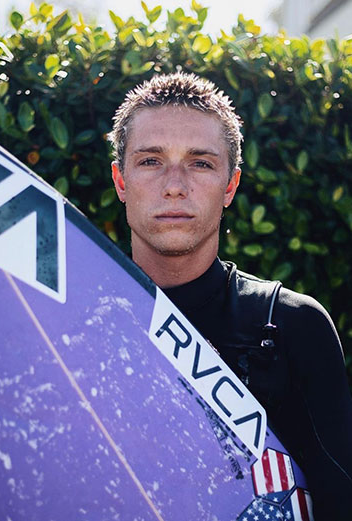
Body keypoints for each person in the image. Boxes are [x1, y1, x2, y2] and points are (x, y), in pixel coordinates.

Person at [108, 72, 352, 518]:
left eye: (200, 163)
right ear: (121, 181)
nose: (175, 184)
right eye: (150, 161)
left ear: (230, 185)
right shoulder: (76, 320)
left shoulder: (293, 325)